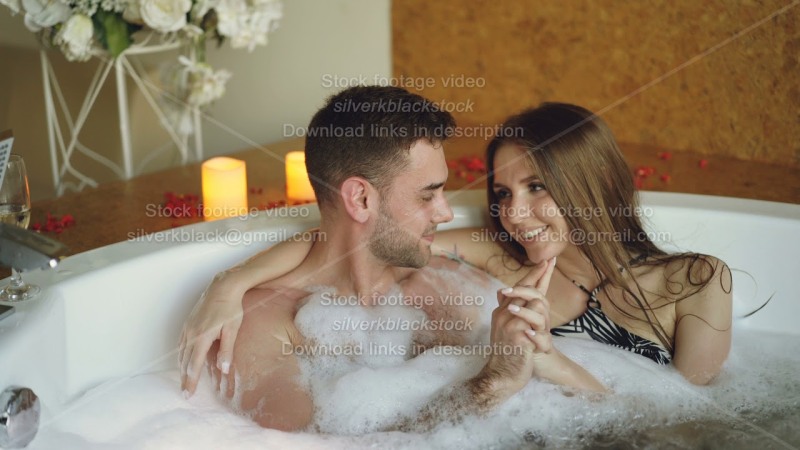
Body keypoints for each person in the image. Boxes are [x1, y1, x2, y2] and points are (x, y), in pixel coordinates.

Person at [181, 100, 732, 392]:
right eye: (502, 192)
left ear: (590, 181)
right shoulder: (503, 260)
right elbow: (358, 238)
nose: (514, 214)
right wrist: (232, 282)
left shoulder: (697, 283)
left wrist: (551, 364)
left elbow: (688, 424)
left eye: (537, 187)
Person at [179, 86, 606, 431]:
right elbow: (313, 445)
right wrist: (492, 384)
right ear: (361, 199)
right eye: (428, 195)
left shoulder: (442, 280)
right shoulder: (265, 321)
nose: (446, 212)